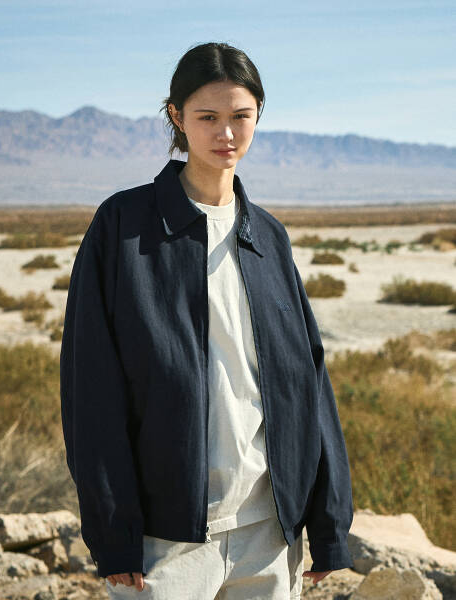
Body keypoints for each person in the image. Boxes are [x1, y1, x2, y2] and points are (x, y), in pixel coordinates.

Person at [60, 41, 354, 599]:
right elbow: (89, 389)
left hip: (270, 532)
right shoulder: (123, 227)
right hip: (165, 541)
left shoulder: (268, 236)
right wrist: (114, 533)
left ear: (258, 116)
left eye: (241, 116)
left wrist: (328, 524)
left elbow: (310, 382)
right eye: (207, 117)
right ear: (176, 117)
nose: (226, 133)